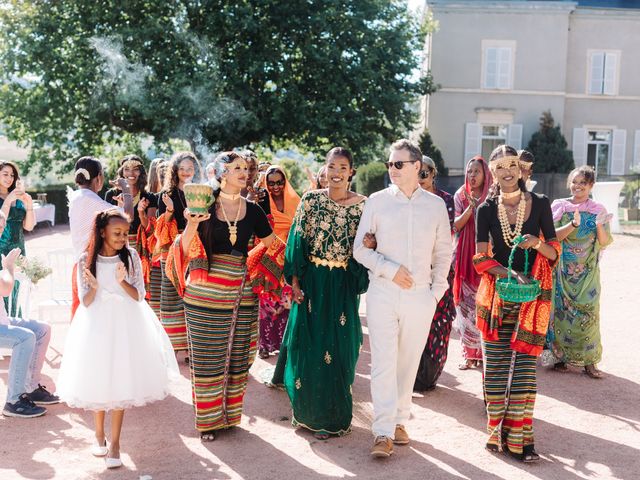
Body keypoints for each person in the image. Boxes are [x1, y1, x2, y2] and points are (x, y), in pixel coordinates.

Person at [165, 152, 283, 442]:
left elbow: (274, 246)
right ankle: (207, 421)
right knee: (207, 359)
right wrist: (192, 223)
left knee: (239, 356)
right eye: (237, 168)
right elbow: (184, 247)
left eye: (246, 168)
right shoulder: (203, 203)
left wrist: (262, 270)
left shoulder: (253, 210)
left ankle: (228, 417)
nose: (245, 172)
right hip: (204, 295)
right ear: (221, 173)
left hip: (241, 293)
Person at [353, 139, 452, 458]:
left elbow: (443, 252)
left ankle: (398, 420)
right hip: (383, 292)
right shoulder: (377, 202)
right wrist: (389, 268)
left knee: (407, 363)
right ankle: (382, 431)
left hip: (421, 296)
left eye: (398, 164)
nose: (391, 169)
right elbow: (360, 249)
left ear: (416, 167)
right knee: (383, 361)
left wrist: (436, 293)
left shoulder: (435, 206)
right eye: (389, 164)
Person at [57, 209, 178, 469]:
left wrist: (122, 282)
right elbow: (86, 303)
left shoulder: (131, 256)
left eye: (125, 233)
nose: (123, 237)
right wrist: (97, 287)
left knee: (122, 379)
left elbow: (139, 296)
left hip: (126, 323)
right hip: (96, 325)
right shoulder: (84, 260)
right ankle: (98, 435)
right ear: (102, 232)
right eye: (117, 233)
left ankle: (115, 443)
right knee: (99, 378)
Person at [271, 147, 368, 439]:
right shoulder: (311, 200)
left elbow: (367, 246)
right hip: (312, 283)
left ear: (351, 171)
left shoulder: (365, 206)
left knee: (342, 348)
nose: (336, 173)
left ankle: (336, 418)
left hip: (343, 285)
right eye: (331, 166)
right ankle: (308, 414)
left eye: (343, 167)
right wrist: (296, 284)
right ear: (324, 170)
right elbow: (296, 242)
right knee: (307, 347)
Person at [474, 144, 560, 463]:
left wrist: (537, 242)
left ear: (520, 169)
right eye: (499, 167)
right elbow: (480, 257)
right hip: (496, 297)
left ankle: (521, 442)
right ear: (493, 173)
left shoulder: (539, 204)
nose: (507, 172)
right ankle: (495, 434)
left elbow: (553, 253)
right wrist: (509, 273)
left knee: (524, 371)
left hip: (532, 299)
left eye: (511, 165)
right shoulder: (486, 209)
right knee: (495, 370)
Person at [550, 165, 612, 379]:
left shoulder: (598, 210)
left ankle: (590, 362)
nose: (577, 187)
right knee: (561, 314)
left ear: (591, 186)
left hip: (588, 273)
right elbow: (552, 237)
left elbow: (604, 242)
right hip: (562, 272)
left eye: (583, 183)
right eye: (574, 182)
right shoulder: (560, 207)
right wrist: (572, 224)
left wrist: (598, 225)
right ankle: (561, 358)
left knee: (589, 315)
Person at [0, 211, 59, 418]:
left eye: (1, 225)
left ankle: (31, 387)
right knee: (25, 337)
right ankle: (14, 400)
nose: (1, 229)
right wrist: (8, 267)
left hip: (2, 320)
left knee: (42, 329)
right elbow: (5, 289)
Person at [68, 157, 132, 319]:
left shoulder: (76, 197)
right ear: (98, 178)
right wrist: (126, 189)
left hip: (79, 263)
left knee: (80, 314)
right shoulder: (90, 199)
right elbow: (127, 216)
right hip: (94, 265)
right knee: (98, 315)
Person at [413, 156, 457, 391]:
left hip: (438, 270)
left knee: (438, 322)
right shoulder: (406, 199)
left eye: (425, 173)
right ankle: (412, 374)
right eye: (417, 172)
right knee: (414, 322)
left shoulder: (445, 201)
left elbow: (444, 234)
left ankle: (429, 374)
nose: (420, 178)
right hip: (413, 272)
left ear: (433, 174)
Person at [155, 151, 200, 356]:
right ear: (175, 170)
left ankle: (193, 346)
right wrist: (171, 211)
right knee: (174, 295)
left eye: (190, 168)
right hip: (174, 248)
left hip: (197, 247)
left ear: (195, 170)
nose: (186, 172)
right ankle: (175, 346)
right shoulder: (166, 194)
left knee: (194, 294)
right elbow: (160, 228)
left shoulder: (202, 191)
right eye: (182, 168)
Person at [452, 156, 492, 369]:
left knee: (484, 305)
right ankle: (469, 354)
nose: (472, 175)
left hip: (487, 259)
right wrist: (471, 207)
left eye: (477, 171)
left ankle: (485, 352)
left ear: (486, 174)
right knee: (465, 306)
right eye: (469, 171)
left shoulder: (493, 195)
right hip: (464, 258)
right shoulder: (460, 194)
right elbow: (456, 226)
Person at [257, 165, 300, 359]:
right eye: (271, 182)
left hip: (289, 255)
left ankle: (284, 344)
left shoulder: (295, 200)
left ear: (285, 181)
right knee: (267, 301)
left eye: (279, 182)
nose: (275, 186)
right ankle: (264, 345)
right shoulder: (262, 200)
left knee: (286, 301)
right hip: (268, 255)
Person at [0, 161, 35, 316]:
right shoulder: (9, 197)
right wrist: (8, 200)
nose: (9, 178)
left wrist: (29, 204)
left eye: (12, 175)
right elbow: (1, 220)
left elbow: (29, 226)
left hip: (18, 248)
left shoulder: (19, 196)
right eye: (5, 174)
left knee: (17, 291)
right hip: (1, 248)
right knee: (3, 290)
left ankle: (15, 324)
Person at [105, 155, 158, 251]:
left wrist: (141, 213)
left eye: (135, 169)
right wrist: (120, 207)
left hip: (141, 248)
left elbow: (150, 230)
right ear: (122, 172)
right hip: (116, 246)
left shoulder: (149, 197)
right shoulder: (111, 194)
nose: (131, 173)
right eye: (127, 169)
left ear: (141, 172)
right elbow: (107, 225)